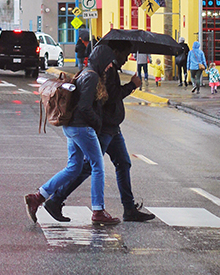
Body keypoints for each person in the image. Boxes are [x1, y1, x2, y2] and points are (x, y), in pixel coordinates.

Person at [28, 43, 155, 224]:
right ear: (109, 57)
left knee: (109, 164)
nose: (124, 59)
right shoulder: (97, 75)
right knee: (93, 167)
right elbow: (92, 103)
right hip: (97, 128)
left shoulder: (99, 72)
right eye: (124, 54)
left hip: (109, 127)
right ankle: (93, 210)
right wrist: (130, 87)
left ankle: (41, 197)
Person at [24, 53, 119, 226]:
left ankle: (38, 197)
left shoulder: (84, 73)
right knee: (97, 166)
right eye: (108, 63)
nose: (110, 67)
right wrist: (97, 123)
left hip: (72, 127)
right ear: (101, 61)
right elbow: (84, 106)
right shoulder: (91, 77)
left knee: (74, 167)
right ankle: (98, 210)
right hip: (82, 128)